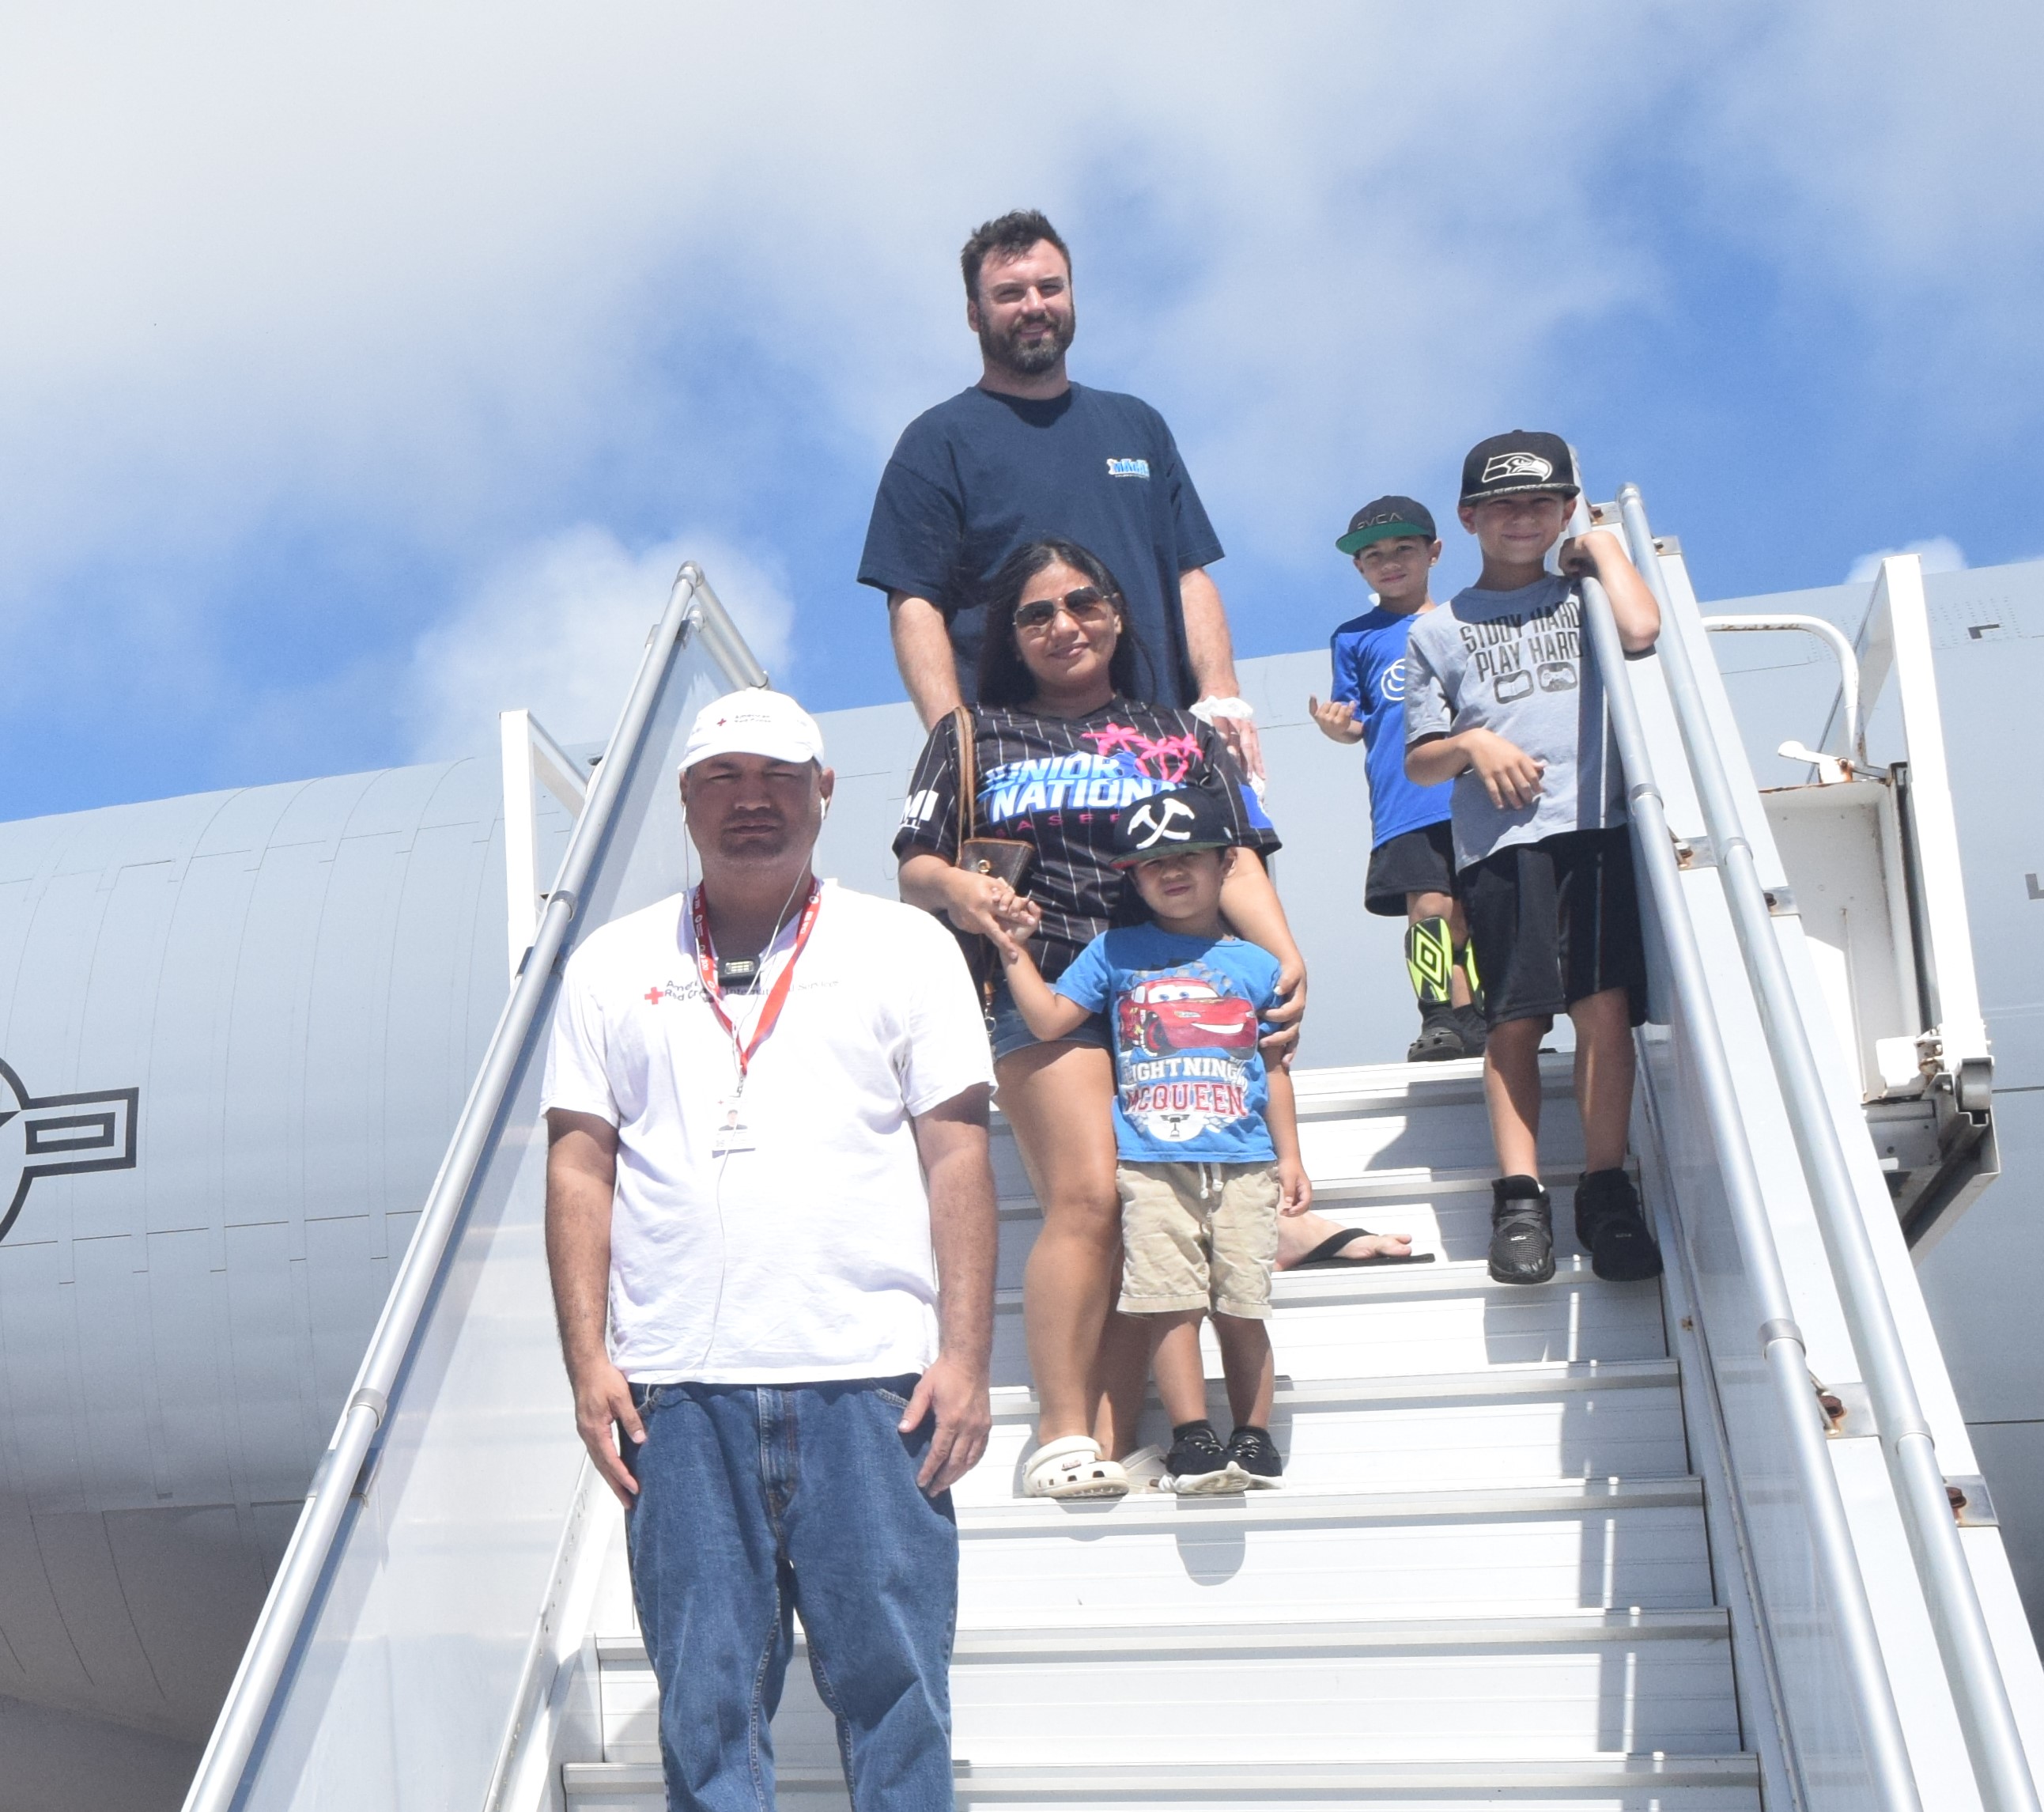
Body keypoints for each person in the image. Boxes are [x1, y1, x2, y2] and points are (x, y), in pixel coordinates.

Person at [542, 689, 998, 1812]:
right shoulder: (610, 961)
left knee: (896, 1688)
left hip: (871, 1383)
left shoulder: (905, 944)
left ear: (824, 791)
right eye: (724, 779)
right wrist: (587, 1359)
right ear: (687, 799)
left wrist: (968, 1355)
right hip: (679, 1391)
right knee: (705, 1706)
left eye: (779, 778)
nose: (752, 801)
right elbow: (576, 1167)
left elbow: (957, 1160)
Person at [895, 537, 1409, 1499]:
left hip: (1178, 998)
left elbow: (1240, 857)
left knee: (1152, 1210)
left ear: (1119, 613)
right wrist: (969, 898)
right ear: (1008, 635)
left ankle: (1113, 1432)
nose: (1064, 625)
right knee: (1093, 1194)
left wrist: (1285, 958)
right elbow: (915, 866)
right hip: (1047, 994)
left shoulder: (1182, 733)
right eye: (1036, 613)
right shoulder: (972, 734)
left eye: (1082, 602)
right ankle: (1054, 1433)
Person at [859, 208, 1261, 774]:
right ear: (974, 314)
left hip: (1163, 750)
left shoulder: (1137, 425)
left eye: (1050, 287)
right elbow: (914, 602)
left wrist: (1221, 696)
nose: (1034, 306)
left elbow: (1189, 573)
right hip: (1022, 767)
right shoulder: (936, 442)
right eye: (1009, 293)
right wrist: (956, 739)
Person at [1404, 431, 1664, 1288]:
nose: (1524, 518)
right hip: (1500, 848)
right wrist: (1473, 742)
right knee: (1514, 1019)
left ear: (1564, 508)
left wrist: (1596, 542)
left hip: (1593, 830)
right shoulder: (1434, 631)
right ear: (1469, 517)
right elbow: (1419, 758)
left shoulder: (1585, 594)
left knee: (1601, 1007)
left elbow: (1640, 626)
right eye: (1504, 504)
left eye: (1543, 502)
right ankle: (1519, 1198)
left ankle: (1603, 1187)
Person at [997, 788, 1310, 1493]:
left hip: (1243, 1164)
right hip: (1149, 1164)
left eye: (1188, 856)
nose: (1171, 872)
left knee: (1241, 1305)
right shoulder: (1115, 950)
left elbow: (1272, 1068)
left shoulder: (1258, 965)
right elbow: (1050, 1020)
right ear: (1131, 879)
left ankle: (1252, 1437)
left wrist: (1289, 1155)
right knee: (1169, 1303)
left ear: (1227, 862)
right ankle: (1191, 1437)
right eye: (1151, 863)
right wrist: (1009, 948)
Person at [1309, 495, 1487, 1063]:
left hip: (1476, 793)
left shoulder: (1468, 618)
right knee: (1429, 905)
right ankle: (1437, 1017)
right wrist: (1336, 727)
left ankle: (1481, 1019)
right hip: (1406, 799)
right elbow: (1352, 718)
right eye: (1373, 554)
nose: (1389, 562)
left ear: (1433, 552)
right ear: (1358, 567)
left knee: (1473, 911)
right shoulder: (1354, 637)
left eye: (1403, 548)